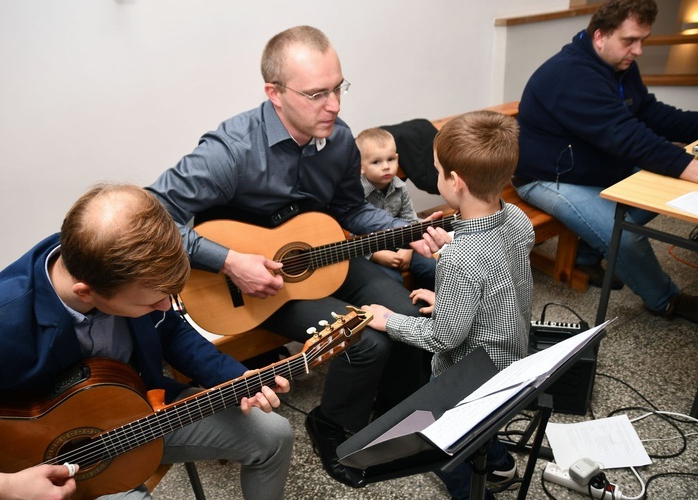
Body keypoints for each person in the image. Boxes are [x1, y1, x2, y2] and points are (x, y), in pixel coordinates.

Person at [146, 25, 434, 487]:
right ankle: (333, 426)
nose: (336, 105)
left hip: (323, 255)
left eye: (339, 88)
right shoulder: (232, 151)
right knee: (365, 340)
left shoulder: (338, 139)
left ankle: (395, 419)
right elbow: (151, 217)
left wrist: (409, 231)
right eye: (318, 93)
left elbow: (350, 209)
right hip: (257, 288)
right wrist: (228, 261)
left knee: (407, 318)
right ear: (274, 93)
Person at [0, 184, 293, 500]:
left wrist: (232, 378)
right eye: (150, 302)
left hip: (137, 409)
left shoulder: (121, 263)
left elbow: (168, 328)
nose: (165, 307)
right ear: (87, 292)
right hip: (30, 469)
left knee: (272, 434)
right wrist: (3, 486)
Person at [364, 110, 534, 500]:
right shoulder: (518, 220)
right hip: (511, 360)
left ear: (455, 182)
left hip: (468, 378)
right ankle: (499, 462)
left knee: (441, 443)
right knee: (482, 425)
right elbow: (502, 286)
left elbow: (444, 336)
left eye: (437, 170)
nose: (436, 175)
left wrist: (388, 320)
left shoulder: (459, 260)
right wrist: (450, 296)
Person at [513, 0, 698, 321]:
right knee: (624, 236)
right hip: (548, 177)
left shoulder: (618, 64)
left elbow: (649, 113)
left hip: (595, 167)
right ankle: (666, 301)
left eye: (643, 40)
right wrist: (688, 166)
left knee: (663, 190)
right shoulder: (571, 74)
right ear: (600, 36)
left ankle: (586, 252)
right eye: (630, 41)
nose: (638, 50)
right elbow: (626, 135)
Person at [356, 127, 437, 290]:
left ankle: (426, 305)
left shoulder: (400, 188)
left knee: (432, 268)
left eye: (391, 159)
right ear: (361, 166)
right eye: (376, 162)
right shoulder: (356, 193)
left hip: (403, 244)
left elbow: (409, 219)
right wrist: (375, 255)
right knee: (391, 282)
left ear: (397, 158)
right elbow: (351, 235)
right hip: (372, 252)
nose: (386, 166)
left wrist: (407, 249)